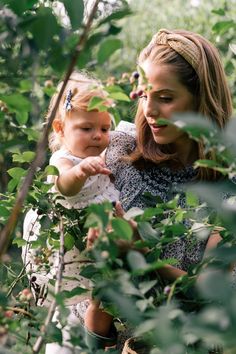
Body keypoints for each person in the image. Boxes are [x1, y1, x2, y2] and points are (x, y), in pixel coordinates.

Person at [85, 28, 233, 351]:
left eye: (165, 98)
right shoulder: (120, 156)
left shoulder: (226, 191)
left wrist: (141, 252)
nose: (149, 110)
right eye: (144, 95)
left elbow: (208, 293)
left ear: (201, 100)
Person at [22, 71, 119, 353]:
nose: (98, 136)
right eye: (86, 128)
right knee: (66, 331)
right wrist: (79, 171)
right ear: (60, 129)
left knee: (92, 324)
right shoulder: (63, 160)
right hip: (70, 261)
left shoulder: (97, 156)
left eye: (104, 128)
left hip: (93, 258)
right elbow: (65, 186)